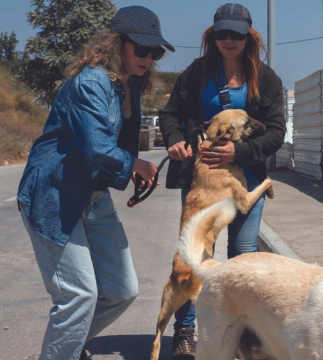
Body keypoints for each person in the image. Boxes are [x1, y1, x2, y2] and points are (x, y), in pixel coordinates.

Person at [16, 6, 174, 360]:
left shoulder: (130, 86)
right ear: (117, 44)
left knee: (122, 289)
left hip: (93, 196)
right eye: (142, 49)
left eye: (156, 52)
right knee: (79, 294)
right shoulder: (91, 82)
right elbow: (96, 148)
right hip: (53, 195)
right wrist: (133, 163)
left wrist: (129, 168)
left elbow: (112, 146)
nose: (149, 58)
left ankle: (63, 349)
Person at [158, 3, 285, 358]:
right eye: (222, 34)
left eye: (237, 34)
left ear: (249, 37)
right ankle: (185, 331)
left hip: (246, 179)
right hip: (202, 182)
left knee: (243, 256)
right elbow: (170, 114)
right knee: (194, 256)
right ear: (212, 35)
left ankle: (244, 333)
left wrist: (237, 154)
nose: (229, 40)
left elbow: (276, 133)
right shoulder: (196, 72)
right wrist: (174, 140)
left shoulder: (267, 78)